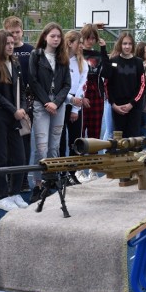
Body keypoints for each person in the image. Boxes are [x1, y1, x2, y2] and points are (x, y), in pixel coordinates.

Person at [0, 30, 29, 211]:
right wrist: (14, 110)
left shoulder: (15, 63)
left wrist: (23, 109)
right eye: (7, 43)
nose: (11, 46)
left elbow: (23, 91)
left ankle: (15, 192)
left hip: (15, 116)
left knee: (20, 156)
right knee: (1, 157)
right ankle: (2, 196)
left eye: (12, 43)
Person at [28, 22, 71, 201]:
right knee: (42, 146)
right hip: (41, 104)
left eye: (58, 36)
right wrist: (47, 102)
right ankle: (38, 185)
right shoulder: (36, 55)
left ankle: (50, 181)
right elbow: (33, 80)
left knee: (54, 146)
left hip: (58, 106)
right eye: (52, 35)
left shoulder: (63, 57)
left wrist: (57, 102)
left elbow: (67, 84)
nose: (55, 39)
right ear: (45, 36)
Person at [5, 16, 35, 192]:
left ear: (22, 31)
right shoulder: (3, 52)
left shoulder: (30, 51)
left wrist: (26, 104)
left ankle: (23, 179)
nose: (15, 36)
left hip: (26, 103)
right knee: (9, 144)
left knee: (25, 142)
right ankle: (10, 179)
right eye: (11, 32)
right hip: (8, 103)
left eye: (17, 32)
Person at [100, 31, 146, 138]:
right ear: (120, 44)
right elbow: (107, 85)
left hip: (133, 107)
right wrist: (113, 104)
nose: (127, 46)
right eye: (125, 43)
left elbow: (143, 85)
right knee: (118, 139)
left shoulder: (138, 62)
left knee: (133, 138)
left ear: (133, 45)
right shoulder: (113, 61)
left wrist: (132, 104)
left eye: (130, 44)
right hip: (118, 107)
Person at [59, 30, 87, 184]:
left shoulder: (83, 63)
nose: (82, 46)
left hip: (76, 105)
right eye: (79, 43)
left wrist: (75, 108)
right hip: (61, 103)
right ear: (70, 43)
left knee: (76, 140)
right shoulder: (60, 60)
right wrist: (69, 99)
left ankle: (72, 172)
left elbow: (83, 85)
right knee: (61, 140)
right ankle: (62, 173)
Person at [80, 24, 106, 139]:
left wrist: (103, 49)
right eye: (88, 38)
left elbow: (107, 70)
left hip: (96, 91)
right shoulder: (77, 53)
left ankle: (93, 155)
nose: (90, 41)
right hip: (81, 90)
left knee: (95, 131)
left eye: (93, 38)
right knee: (79, 130)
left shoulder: (98, 54)